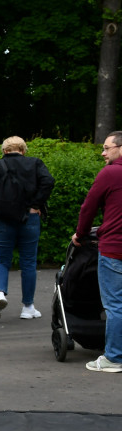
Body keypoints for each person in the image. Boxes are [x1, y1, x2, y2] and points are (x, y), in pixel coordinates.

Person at [0, 136, 55, 322]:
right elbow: (48, 181)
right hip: (29, 217)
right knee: (28, 262)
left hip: (2, 219)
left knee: (1, 260)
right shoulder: (35, 163)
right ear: (24, 150)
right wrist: (36, 205)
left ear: (4, 151)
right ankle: (28, 307)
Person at [73, 131, 122, 373]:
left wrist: (80, 234)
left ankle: (114, 357)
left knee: (115, 305)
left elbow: (88, 207)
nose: (103, 153)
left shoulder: (110, 173)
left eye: (107, 148)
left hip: (115, 247)